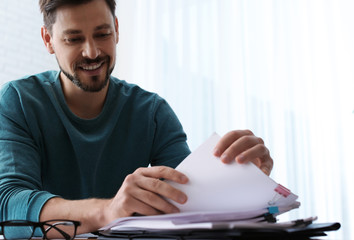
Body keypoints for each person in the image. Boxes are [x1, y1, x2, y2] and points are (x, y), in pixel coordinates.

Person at [0, 0, 273, 235]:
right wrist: (108, 210)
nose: (92, 52)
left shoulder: (152, 112)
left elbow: (189, 201)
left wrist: (244, 182)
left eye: (103, 33)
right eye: (73, 39)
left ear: (117, 30)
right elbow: (9, 205)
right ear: (48, 40)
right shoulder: (19, 101)